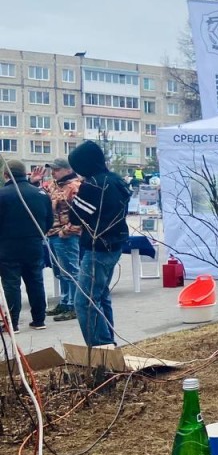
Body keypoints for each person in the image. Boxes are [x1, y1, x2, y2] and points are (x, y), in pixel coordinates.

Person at [66, 141, 131, 347]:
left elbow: (76, 218)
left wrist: (72, 199)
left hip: (98, 246)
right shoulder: (115, 180)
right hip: (115, 243)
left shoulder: (92, 185)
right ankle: (108, 342)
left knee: (84, 301)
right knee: (101, 297)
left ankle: (100, 347)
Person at [0, 158, 53, 332]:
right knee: (35, 281)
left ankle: (13, 323)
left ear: (5, 175)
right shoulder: (41, 194)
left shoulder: (2, 195)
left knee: (11, 284)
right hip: (34, 245)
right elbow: (49, 221)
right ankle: (39, 320)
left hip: (8, 246)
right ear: (25, 174)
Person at [44, 158, 82, 322]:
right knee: (60, 272)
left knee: (71, 271)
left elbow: (81, 214)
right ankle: (65, 301)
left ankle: (75, 305)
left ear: (67, 170)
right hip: (52, 233)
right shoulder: (53, 185)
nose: (53, 173)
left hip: (66, 235)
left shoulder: (75, 187)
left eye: (56, 170)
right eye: (52, 170)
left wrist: (68, 231)